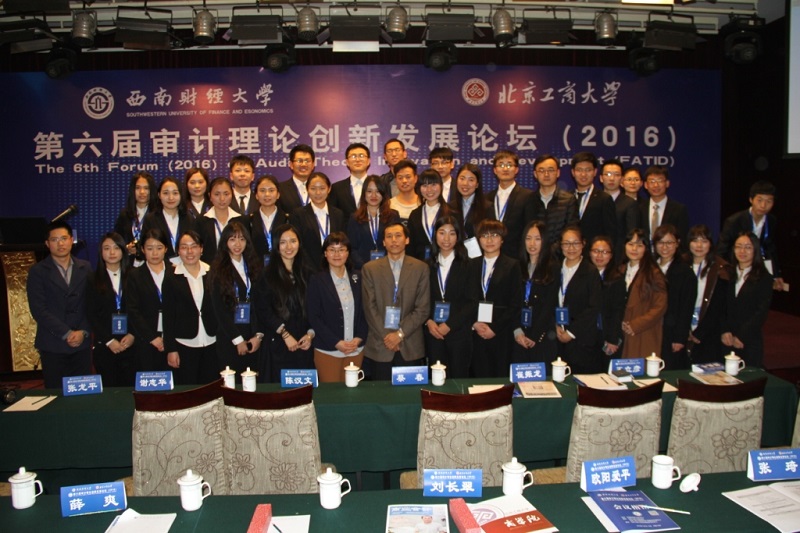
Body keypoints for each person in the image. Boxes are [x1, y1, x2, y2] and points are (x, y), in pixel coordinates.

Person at [27, 221, 92, 388]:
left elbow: (92, 304)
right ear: (47, 243)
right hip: (53, 343)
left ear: (71, 240)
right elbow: (39, 310)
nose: (60, 244)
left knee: (83, 395)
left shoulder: (85, 268)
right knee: (55, 394)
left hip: (82, 343)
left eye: (64, 238)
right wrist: (67, 333)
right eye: (54, 240)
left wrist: (83, 331)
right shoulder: (37, 271)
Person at [361, 222, 430, 380]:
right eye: (389, 236)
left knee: (410, 392)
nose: (393, 240)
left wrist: (399, 334)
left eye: (398, 236)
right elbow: (369, 307)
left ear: (407, 240)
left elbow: (423, 308)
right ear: (384, 242)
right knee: (381, 392)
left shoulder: (421, 268)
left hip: (410, 343)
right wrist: (388, 337)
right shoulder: (370, 269)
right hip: (381, 344)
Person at [306, 232, 368, 382]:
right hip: (328, 350)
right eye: (332, 250)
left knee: (353, 392)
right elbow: (314, 317)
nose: (337, 254)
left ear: (348, 253)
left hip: (355, 349)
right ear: (325, 253)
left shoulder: (359, 277)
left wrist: (359, 338)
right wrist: (336, 342)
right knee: (331, 393)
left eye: (341, 249)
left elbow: (366, 311)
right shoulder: (317, 280)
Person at [257, 224, 315, 382]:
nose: (289, 247)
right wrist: (285, 334)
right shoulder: (267, 275)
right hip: (277, 343)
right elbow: (263, 310)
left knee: (303, 391)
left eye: (293, 241)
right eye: (283, 242)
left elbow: (314, 308)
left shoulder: (308, 273)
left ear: (299, 243)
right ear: (276, 245)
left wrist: (310, 335)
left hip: (303, 343)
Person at [162, 231, 218, 385]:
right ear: (178, 251)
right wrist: (171, 349)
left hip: (212, 340)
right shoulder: (171, 277)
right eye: (184, 247)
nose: (189, 251)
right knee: (188, 390)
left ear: (201, 249)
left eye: (194, 246)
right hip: (184, 343)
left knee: (212, 389)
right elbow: (168, 315)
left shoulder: (212, 272)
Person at [468, 219, 523, 377]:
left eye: (495, 235)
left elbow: (515, 303)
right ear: (479, 239)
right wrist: (474, 323)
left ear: (502, 239)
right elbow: (465, 298)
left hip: (501, 332)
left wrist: (495, 328)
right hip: (476, 330)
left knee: (500, 377)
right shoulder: (471, 265)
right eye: (485, 236)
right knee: (477, 377)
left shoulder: (512, 265)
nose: (489, 240)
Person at [209, 221, 263, 375]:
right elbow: (219, 311)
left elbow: (261, 304)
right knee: (232, 383)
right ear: (225, 242)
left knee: (253, 382)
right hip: (229, 337)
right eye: (232, 239)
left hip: (253, 336)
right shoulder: (218, 270)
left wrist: (258, 335)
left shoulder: (254, 266)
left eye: (242, 239)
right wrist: (238, 340)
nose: (237, 244)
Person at [424, 216, 473, 378]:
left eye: (452, 233)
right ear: (435, 235)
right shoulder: (426, 265)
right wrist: (428, 321)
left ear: (458, 236)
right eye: (442, 233)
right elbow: (421, 298)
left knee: (459, 380)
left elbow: (472, 302)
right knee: (436, 380)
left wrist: (450, 325)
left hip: (459, 333)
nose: (446, 238)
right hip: (433, 333)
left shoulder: (468, 265)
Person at [86, 232, 136, 387]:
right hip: (105, 344)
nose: (112, 252)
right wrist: (108, 340)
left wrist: (133, 334)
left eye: (116, 248)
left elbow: (141, 310)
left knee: (131, 390)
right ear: (101, 252)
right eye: (107, 248)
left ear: (123, 250)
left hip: (131, 343)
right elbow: (91, 314)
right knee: (109, 389)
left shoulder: (135, 276)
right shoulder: (92, 279)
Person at [717, 180, 784, 291]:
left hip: (759, 267)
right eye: (759, 200)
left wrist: (777, 274)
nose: (763, 205)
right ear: (751, 199)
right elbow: (722, 249)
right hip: (737, 268)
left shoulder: (772, 220)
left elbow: (771, 248)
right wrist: (724, 272)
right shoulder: (734, 221)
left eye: (769, 201)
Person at [554, 226, 603, 373]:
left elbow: (594, 307)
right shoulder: (554, 269)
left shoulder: (591, 272)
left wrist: (571, 333)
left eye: (575, 243)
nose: (571, 248)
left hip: (581, 340)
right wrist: (554, 325)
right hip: (556, 337)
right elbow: (548, 302)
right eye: (566, 243)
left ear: (583, 244)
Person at [721, 232, 773, 368]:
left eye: (748, 247)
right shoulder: (726, 273)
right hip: (726, 338)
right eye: (738, 246)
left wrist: (741, 336)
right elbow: (720, 306)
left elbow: (761, 312)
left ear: (755, 250)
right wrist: (724, 330)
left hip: (749, 339)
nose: (742, 251)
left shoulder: (764, 277)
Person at [616, 228, 668, 359]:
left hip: (643, 332)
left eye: (639, 245)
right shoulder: (619, 270)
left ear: (646, 248)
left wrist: (636, 325)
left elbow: (660, 307)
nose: (634, 249)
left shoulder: (653, 274)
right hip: (620, 333)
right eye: (630, 244)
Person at [512, 221, 558, 366]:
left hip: (542, 336)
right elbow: (512, 302)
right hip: (518, 335)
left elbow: (549, 305)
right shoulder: (516, 266)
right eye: (528, 238)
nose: (532, 243)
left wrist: (534, 335)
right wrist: (517, 330)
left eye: (537, 239)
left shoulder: (553, 268)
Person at [125, 228, 170, 372]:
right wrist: (152, 338)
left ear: (166, 248)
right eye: (150, 248)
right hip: (146, 340)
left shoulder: (176, 271)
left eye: (159, 248)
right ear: (143, 250)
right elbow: (133, 310)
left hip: (174, 340)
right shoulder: (135, 275)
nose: (155, 253)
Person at [653, 224, 696, 369]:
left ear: (677, 243)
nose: (665, 247)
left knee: (668, 370)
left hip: (671, 332)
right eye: (660, 242)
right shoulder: (650, 267)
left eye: (669, 242)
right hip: (651, 330)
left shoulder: (685, 272)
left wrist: (680, 337)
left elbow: (686, 307)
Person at [685, 225, 730, 364]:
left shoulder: (720, 268)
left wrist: (700, 332)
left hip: (708, 329)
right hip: (683, 326)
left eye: (704, 241)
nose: (699, 245)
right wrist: (684, 329)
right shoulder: (680, 264)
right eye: (695, 240)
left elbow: (719, 305)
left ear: (710, 243)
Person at [289, 172, 347, 271]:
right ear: (307, 189)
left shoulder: (338, 214)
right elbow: (299, 244)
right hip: (308, 269)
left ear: (329, 189)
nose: (318, 193)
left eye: (322, 188)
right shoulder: (298, 214)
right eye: (313, 188)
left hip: (335, 267)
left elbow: (343, 242)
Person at [485, 149, 536, 259]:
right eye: (501, 165)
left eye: (509, 165)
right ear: (495, 170)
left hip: (517, 255)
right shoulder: (487, 197)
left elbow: (530, 228)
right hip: (491, 254)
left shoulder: (527, 196)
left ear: (516, 169)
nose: (505, 169)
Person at [347, 174, 400, 268]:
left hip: (389, 267)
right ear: (364, 194)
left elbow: (397, 244)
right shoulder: (355, 218)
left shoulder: (393, 216)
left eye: (378, 191)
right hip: (363, 268)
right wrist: (365, 267)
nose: (374, 195)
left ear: (383, 194)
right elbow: (352, 248)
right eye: (369, 191)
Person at [531, 154, 579, 249]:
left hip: (560, 253)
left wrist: (554, 251)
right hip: (535, 252)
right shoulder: (529, 199)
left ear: (558, 173)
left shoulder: (569, 200)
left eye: (551, 170)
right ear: (535, 174)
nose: (546, 174)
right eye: (541, 170)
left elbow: (572, 230)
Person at [588, 235, 624, 362]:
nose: (599, 255)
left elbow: (617, 311)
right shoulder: (584, 276)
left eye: (604, 252)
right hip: (587, 335)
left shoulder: (617, 279)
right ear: (589, 253)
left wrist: (613, 338)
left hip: (607, 335)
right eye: (596, 251)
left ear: (611, 255)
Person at [142, 176, 194, 262]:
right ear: (159, 195)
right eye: (166, 193)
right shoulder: (151, 219)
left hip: (185, 264)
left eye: (175, 193)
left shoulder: (189, 218)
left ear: (181, 195)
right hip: (160, 265)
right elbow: (145, 246)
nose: (171, 197)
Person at [570, 151, 617, 246]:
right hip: (570, 250)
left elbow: (610, 233)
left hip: (595, 252)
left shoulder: (604, 199)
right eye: (579, 170)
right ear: (573, 172)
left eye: (588, 170)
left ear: (595, 172)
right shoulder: (566, 197)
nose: (583, 174)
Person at [639, 165, 689, 250]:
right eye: (652, 181)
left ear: (667, 183)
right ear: (646, 185)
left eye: (660, 181)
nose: (656, 185)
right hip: (645, 256)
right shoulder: (638, 208)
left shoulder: (679, 209)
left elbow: (682, 239)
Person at [114, 172, 157, 267]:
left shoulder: (157, 214)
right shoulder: (125, 215)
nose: (142, 192)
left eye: (146, 188)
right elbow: (117, 240)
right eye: (138, 188)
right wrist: (127, 248)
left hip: (153, 263)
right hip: (130, 264)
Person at [407, 169, 451, 261]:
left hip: (447, 261)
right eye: (425, 185)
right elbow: (410, 247)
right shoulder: (415, 215)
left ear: (441, 186)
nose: (429, 190)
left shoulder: (451, 212)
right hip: (420, 264)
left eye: (433, 184)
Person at [198, 177, 242, 265]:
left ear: (232, 195)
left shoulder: (241, 220)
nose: (222, 198)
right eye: (217, 194)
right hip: (209, 268)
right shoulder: (201, 221)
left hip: (236, 268)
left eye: (226, 194)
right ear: (210, 196)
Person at [249, 175, 288, 267]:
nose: (267, 194)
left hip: (283, 268)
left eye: (271, 190)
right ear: (256, 195)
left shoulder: (288, 219)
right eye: (262, 190)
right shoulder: (248, 221)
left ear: (278, 194)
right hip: (256, 270)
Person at [329, 143, 371, 220]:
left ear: (368, 161)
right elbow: (333, 216)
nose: (357, 159)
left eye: (361, 156)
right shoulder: (337, 188)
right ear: (347, 162)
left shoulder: (378, 185)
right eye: (353, 156)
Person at [450, 163, 488, 241]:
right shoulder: (450, 207)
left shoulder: (487, 207)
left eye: (471, 180)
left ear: (477, 184)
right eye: (462, 178)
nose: (465, 183)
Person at [278, 144, 315, 213]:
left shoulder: (322, 189)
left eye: (307, 161)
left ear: (313, 165)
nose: (303, 164)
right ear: (291, 164)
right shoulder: (280, 189)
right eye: (299, 161)